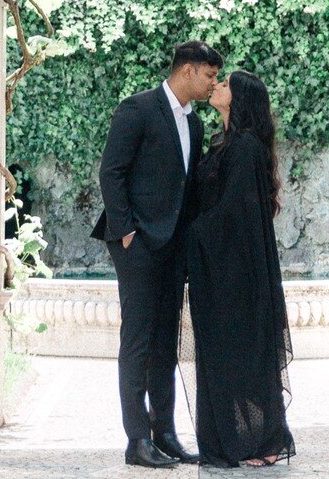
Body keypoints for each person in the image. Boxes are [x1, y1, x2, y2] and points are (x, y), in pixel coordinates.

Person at [94, 41, 223, 468]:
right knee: (138, 340)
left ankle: (164, 433)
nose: (213, 84)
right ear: (187, 71)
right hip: (137, 243)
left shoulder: (197, 125)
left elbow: (187, 189)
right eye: (208, 75)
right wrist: (127, 231)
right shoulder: (137, 109)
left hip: (173, 246)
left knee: (166, 340)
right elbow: (111, 172)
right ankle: (137, 441)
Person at [185, 72, 295, 471]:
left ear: (240, 99)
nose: (216, 86)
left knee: (245, 353)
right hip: (217, 269)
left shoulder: (245, 147)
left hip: (237, 272)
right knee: (220, 354)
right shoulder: (221, 143)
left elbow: (235, 211)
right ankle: (231, 440)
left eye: (225, 84)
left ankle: (265, 440)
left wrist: (191, 235)